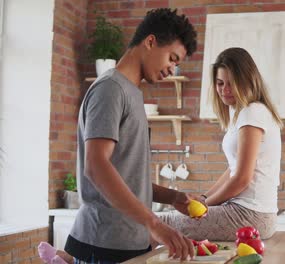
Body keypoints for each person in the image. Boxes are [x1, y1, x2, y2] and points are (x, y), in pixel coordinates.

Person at [39, 8, 197, 264]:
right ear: (150, 41)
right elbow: (96, 166)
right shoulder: (110, 89)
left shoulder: (132, 93)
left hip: (128, 243)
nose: (172, 69)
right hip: (104, 244)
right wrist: (153, 223)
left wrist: (173, 197)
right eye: (172, 58)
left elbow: (129, 178)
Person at [159, 47, 283, 241]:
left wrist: (205, 204)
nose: (224, 90)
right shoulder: (242, 112)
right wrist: (204, 197)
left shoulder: (252, 112)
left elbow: (242, 178)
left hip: (251, 215)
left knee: (160, 222)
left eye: (232, 84)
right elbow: (233, 170)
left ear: (247, 81)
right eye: (220, 83)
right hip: (251, 213)